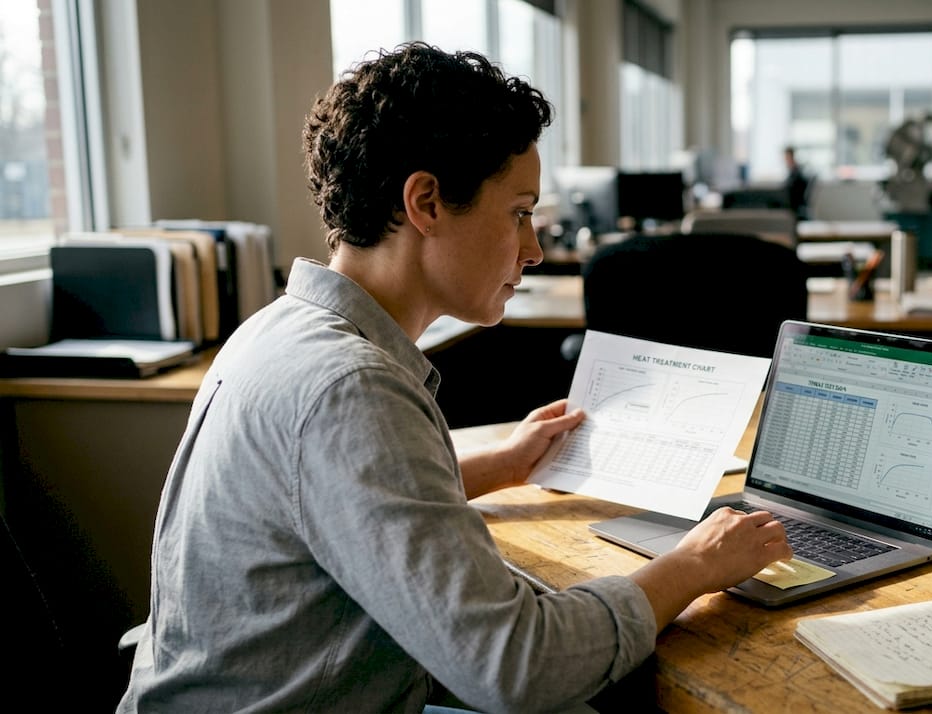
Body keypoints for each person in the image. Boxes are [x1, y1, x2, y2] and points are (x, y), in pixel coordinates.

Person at [116, 42, 791, 713]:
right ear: (427, 202)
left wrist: (498, 466)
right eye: (519, 213)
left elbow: (326, 507)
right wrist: (692, 566)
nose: (533, 249)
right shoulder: (350, 388)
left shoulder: (277, 333)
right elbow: (520, 667)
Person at [782, 145, 812, 219]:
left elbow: (793, 191)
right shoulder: (794, 171)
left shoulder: (797, 173)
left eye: (786, 157)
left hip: (796, 205)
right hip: (795, 204)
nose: (785, 160)